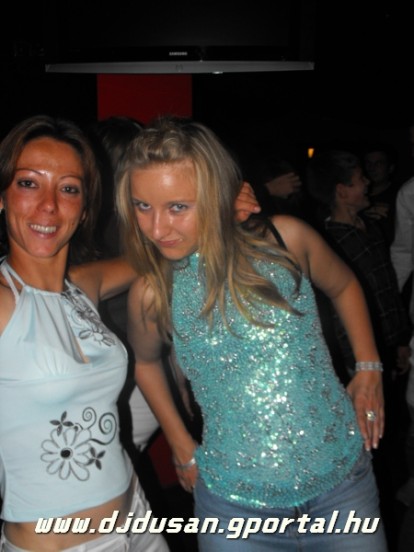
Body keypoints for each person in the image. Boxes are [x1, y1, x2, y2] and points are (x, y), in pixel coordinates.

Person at [115, 115, 387, 551]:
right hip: (233, 507)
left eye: (177, 207)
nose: (156, 228)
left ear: (217, 195)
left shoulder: (286, 239)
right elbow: (145, 361)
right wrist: (180, 443)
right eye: (142, 206)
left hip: (342, 486)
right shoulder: (152, 292)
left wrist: (369, 366)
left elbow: (344, 285)